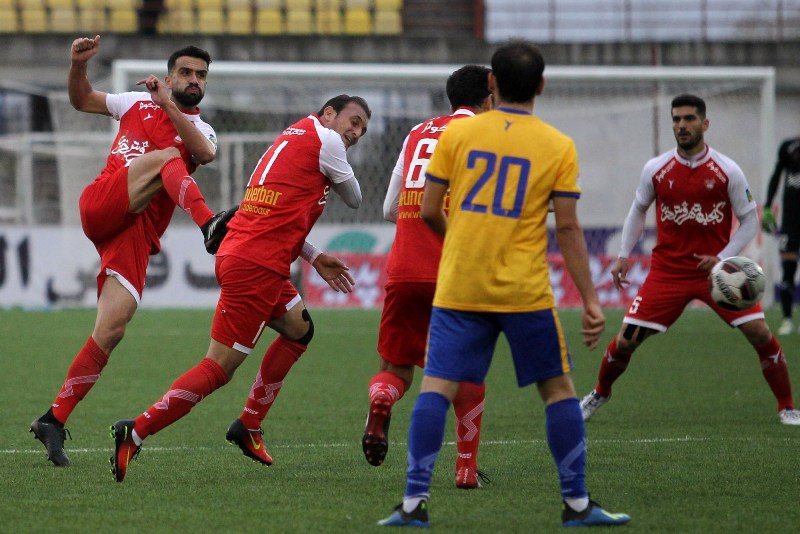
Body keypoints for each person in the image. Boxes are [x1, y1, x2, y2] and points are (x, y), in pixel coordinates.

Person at [378, 41, 630, 528]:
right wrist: (592, 299)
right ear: (540, 86)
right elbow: (570, 229)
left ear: (492, 83)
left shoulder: (456, 136)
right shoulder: (557, 145)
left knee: (436, 387)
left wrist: (461, 244)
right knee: (558, 391)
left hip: (461, 282)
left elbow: (429, 209)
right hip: (523, 286)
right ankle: (576, 504)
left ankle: (412, 504)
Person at [109, 94, 371, 482]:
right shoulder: (327, 141)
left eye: (363, 129)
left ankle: (249, 423)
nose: (356, 132)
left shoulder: (291, 137)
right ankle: (137, 430)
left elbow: (273, 213)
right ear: (328, 114)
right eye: (353, 121)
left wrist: (314, 256)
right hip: (257, 266)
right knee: (217, 368)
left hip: (249, 253)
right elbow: (355, 198)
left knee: (300, 330)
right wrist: (337, 169)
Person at [29, 35, 235, 467]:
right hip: (105, 201)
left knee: (111, 330)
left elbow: (204, 153)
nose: (194, 80)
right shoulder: (133, 103)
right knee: (163, 158)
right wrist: (77, 65)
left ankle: (53, 417)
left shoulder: (201, 126)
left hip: (136, 233)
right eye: (186, 72)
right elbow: (82, 99)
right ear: (168, 75)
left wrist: (170, 108)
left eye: (201, 75)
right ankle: (208, 223)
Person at [580, 94, 800, 427]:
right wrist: (624, 253)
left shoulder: (728, 170)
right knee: (625, 340)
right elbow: (638, 209)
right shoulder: (656, 168)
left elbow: (750, 220)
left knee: (759, 331)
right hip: (668, 272)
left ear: (704, 123)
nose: (682, 125)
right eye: (676, 120)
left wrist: (723, 259)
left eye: (689, 119)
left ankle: (787, 407)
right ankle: (599, 393)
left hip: (716, 274)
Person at [362, 65, 492, 490]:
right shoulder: (489, 134)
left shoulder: (418, 132)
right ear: (488, 96)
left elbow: (388, 208)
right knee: (467, 369)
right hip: (454, 267)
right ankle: (466, 468)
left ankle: (383, 398)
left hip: (404, 267)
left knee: (396, 368)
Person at [762, 137, 800, 335]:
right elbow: (777, 175)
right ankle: (787, 319)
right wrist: (768, 205)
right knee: (788, 271)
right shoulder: (788, 148)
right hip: (790, 223)